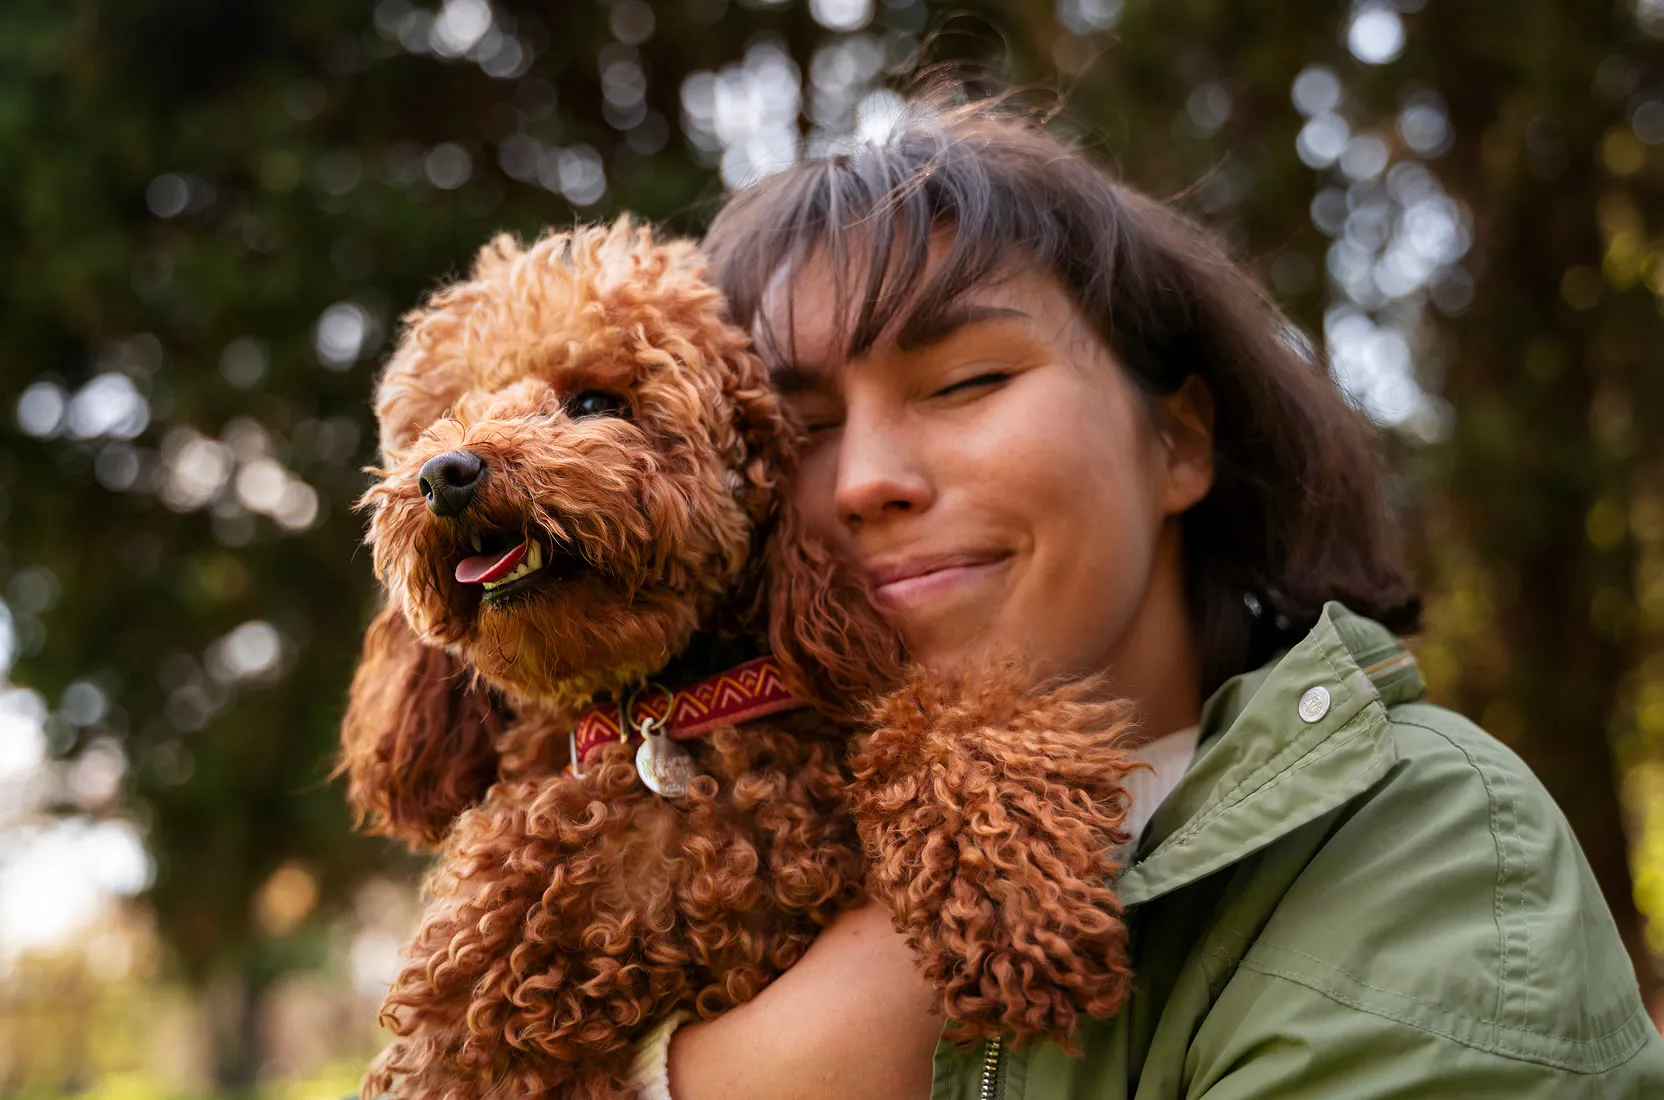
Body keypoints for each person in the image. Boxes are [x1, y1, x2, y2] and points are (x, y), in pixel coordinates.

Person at [645, 96, 1664, 1098]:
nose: (865, 478)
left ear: (1177, 441)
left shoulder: (1417, 842)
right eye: (800, 427)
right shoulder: (702, 870)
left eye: (964, 381)